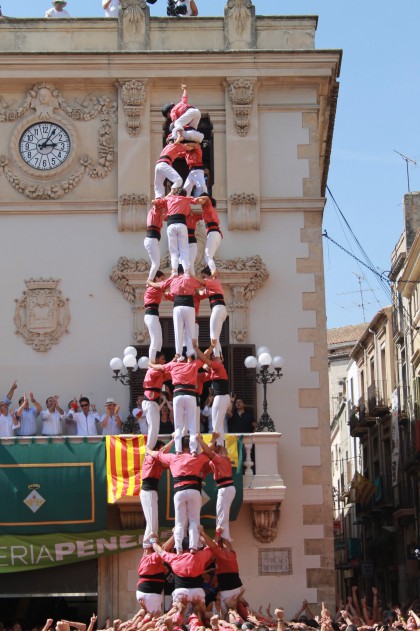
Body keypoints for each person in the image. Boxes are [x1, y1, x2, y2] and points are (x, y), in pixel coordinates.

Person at [147, 435, 211, 553]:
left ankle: (179, 548)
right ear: (191, 446)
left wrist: (148, 450)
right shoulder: (197, 458)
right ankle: (193, 547)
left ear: (180, 446)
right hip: (194, 491)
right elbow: (209, 452)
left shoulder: (173, 457)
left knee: (180, 522)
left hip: (179, 492)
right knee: (194, 521)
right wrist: (200, 440)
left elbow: (158, 454)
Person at [151, 525, 214, 607]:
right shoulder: (200, 556)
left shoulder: (175, 558)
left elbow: (160, 551)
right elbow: (212, 547)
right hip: (197, 591)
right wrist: (200, 535)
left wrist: (152, 541)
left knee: (177, 614)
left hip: (181, 591)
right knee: (198, 614)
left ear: (181, 548)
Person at [148, 271, 201, 360]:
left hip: (178, 307)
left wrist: (150, 283)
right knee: (190, 333)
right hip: (189, 309)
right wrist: (192, 275)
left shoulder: (173, 280)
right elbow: (201, 284)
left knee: (178, 331)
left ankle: (179, 353)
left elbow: (163, 289)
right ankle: (190, 353)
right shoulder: (189, 279)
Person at [153, 191, 200, 276]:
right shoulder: (186, 198)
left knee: (173, 250)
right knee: (184, 250)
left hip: (171, 225)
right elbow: (199, 201)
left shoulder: (169, 198)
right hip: (181, 224)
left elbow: (154, 201)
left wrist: (167, 197)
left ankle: (174, 270)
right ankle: (186, 271)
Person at [198, 435, 235, 541]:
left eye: (213, 445)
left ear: (217, 447)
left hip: (225, 488)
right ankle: (224, 536)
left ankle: (221, 536)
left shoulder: (220, 459)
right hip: (225, 488)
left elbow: (208, 452)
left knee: (221, 514)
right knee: (222, 513)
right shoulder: (219, 460)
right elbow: (207, 466)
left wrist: (202, 441)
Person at [141, 438, 174, 549]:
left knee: (152, 523)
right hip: (148, 492)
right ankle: (150, 548)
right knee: (152, 524)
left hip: (152, 492)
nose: (163, 452)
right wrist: (173, 440)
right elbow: (161, 454)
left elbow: (168, 460)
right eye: (161, 448)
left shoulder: (158, 461)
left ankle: (147, 548)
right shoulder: (149, 457)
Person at [194, 344, 229, 446]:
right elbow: (205, 365)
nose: (213, 356)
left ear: (221, 359)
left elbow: (205, 360)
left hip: (222, 396)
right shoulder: (215, 369)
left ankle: (219, 447)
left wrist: (196, 348)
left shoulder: (220, 365)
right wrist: (206, 366)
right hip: (219, 397)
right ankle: (220, 446)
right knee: (216, 424)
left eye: (216, 356)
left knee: (217, 425)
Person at [141, 353, 170, 448]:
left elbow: (168, 374)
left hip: (154, 403)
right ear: (156, 360)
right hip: (149, 401)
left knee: (155, 429)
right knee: (153, 428)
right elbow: (164, 369)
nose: (164, 361)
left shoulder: (159, 372)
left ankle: (151, 448)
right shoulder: (152, 370)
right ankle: (148, 450)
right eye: (162, 359)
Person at [197, 266, 227, 358]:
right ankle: (218, 355)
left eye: (204, 276)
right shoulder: (209, 286)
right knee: (215, 336)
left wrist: (192, 278)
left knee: (213, 335)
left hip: (218, 308)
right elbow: (200, 294)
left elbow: (202, 282)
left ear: (209, 276)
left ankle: (217, 356)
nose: (203, 278)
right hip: (219, 309)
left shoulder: (214, 281)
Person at [196, 195, 222, 276]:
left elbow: (207, 198)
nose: (200, 204)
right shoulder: (209, 209)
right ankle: (209, 273)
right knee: (209, 257)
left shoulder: (208, 206)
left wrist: (195, 199)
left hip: (213, 233)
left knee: (208, 256)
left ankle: (214, 274)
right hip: (216, 234)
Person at [144, 270, 166, 362]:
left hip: (154, 315)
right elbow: (164, 285)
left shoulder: (155, 288)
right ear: (156, 278)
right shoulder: (152, 288)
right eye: (161, 278)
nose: (162, 280)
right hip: (151, 315)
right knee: (155, 339)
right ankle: (152, 362)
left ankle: (157, 359)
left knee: (159, 341)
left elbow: (165, 297)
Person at [144, 203, 164, 282]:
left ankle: (153, 279)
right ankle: (150, 281)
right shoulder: (154, 211)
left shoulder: (157, 214)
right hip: (151, 240)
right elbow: (156, 203)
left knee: (156, 263)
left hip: (152, 240)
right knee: (156, 263)